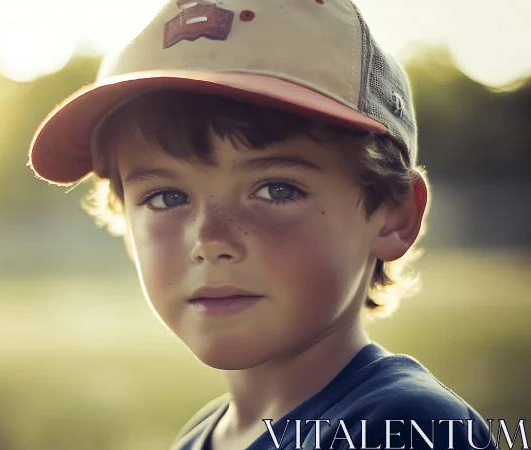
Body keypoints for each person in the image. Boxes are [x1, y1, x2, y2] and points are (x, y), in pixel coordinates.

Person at [28, 1, 498, 449]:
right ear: (126, 227)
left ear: (395, 213)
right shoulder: (203, 434)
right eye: (166, 197)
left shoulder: (404, 428)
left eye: (276, 190)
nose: (210, 241)